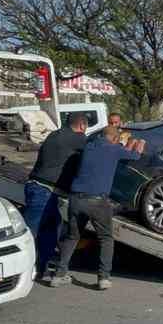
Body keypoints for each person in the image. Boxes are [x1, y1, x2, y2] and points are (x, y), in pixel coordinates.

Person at [46, 122, 146, 290]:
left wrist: (122, 142)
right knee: (105, 238)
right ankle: (103, 278)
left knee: (72, 237)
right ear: (115, 139)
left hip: (76, 200)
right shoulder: (114, 150)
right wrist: (140, 141)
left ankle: (58, 275)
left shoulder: (89, 147)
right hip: (98, 202)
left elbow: (117, 149)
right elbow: (135, 155)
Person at [24, 112, 89, 279]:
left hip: (40, 188)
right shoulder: (77, 138)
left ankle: (41, 269)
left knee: (51, 229)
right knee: (32, 232)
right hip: (43, 190)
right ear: (82, 126)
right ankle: (25, 269)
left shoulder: (55, 134)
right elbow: (97, 148)